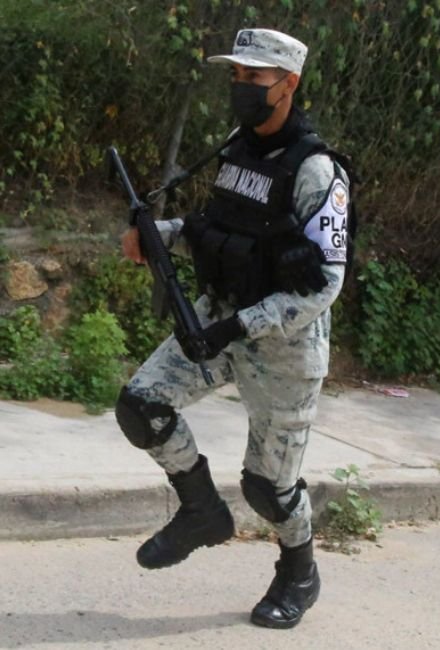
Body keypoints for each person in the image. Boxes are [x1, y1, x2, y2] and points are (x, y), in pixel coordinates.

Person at [115, 28, 351, 628]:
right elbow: (214, 227)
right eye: (237, 76)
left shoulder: (318, 171)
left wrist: (238, 327)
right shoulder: (236, 147)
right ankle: (200, 512)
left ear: (289, 84)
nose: (242, 88)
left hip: (285, 348)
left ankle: (299, 570)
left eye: (256, 77)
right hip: (217, 318)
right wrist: (156, 234)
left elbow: (325, 283)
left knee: (268, 489)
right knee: (142, 405)